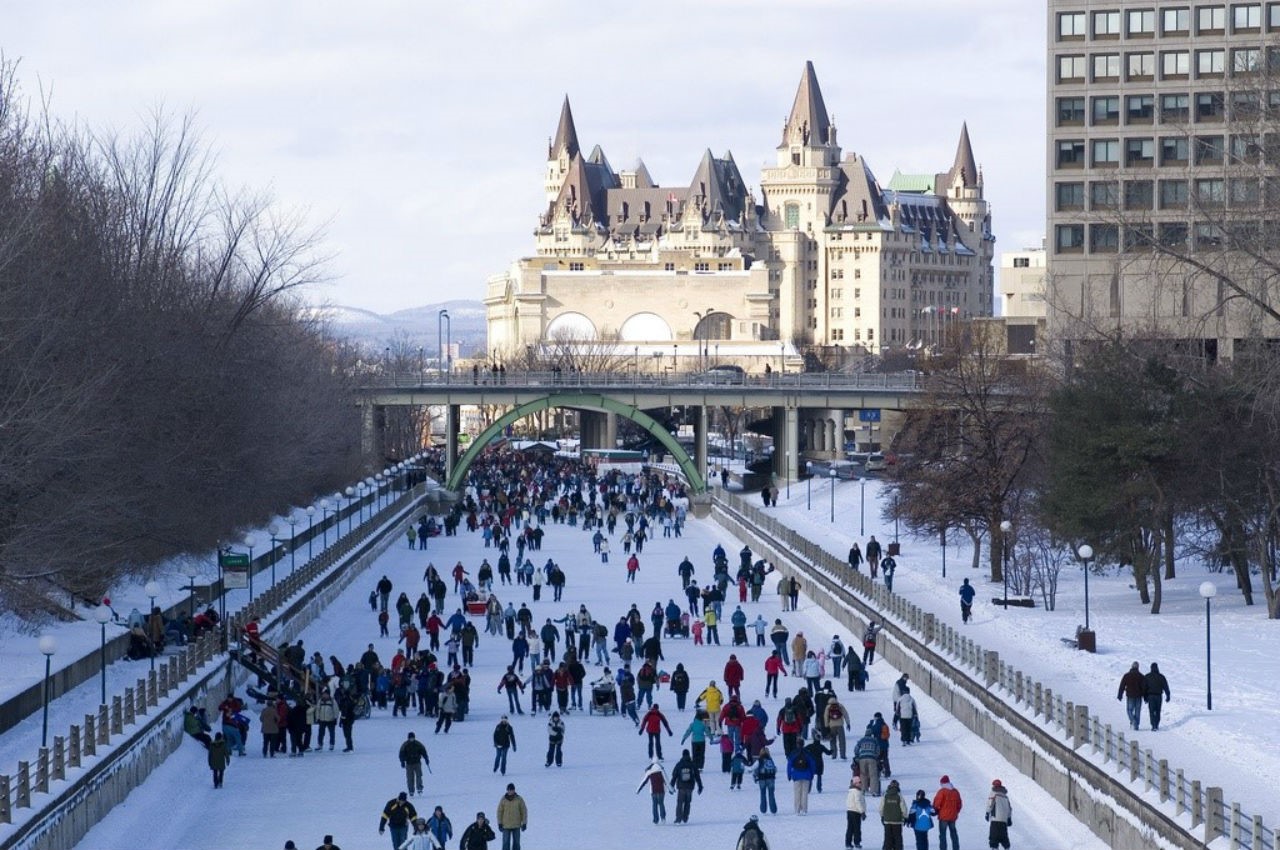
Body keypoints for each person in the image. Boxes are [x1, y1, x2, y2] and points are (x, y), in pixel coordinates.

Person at [669, 748, 703, 823]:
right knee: (688, 803)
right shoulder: (692, 764)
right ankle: (685, 817)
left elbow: (674, 776)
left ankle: (678, 819)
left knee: (680, 803)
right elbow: (697, 776)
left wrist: (671, 786)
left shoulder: (679, 764)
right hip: (690, 787)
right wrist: (700, 786)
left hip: (681, 787)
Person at [932, 775, 962, 850]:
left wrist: (935, 810)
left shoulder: (942, 792)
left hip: (943, 817)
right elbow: (959, 804)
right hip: (953, 817)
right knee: (953, 833)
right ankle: (956, 848)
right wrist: (955, 812)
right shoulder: (955, 791)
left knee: (942, 834)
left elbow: (936, 803)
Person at [496, 784, 527, 850]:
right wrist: (499, 823)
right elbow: (499, 812)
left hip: (516, 825)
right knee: (505, 843)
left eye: (511, 790)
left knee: (516, 843)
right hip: (506, 826)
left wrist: (524, 823)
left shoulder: (519, 799)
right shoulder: (503, 799)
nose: (510, 791)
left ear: (514, 790)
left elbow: (524, 811)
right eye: (508, 790)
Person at [1116, 661, 1146, 731]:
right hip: (1139, 696)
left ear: (1131, 667)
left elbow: (1122, 685)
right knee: (1137, 710)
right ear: (1138, 667)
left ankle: (1133, 721)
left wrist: (1120, 695)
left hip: (1130, 695)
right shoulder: (1141, 676)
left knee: (1129, 710)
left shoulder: (1127, 675)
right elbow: (1144, 687)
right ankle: (1136, 725)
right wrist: (1145, 697)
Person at [786, 745, 816, 814]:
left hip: (796, 775)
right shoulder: (807, 753)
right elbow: (812, 764)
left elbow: (789, 764)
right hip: (806, 775)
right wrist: (812, 774)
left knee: (797, 793)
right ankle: (804, 809)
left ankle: (797, 809)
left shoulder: (794, 753)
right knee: (805, 793)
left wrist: (789, 775)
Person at [1144, 662, 1171, 731]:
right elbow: (1166, 687)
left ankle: (1153, 725)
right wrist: (1168, 695)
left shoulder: (1147, 676)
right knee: (1158, 711)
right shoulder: (1161, 676)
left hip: (1150, 696)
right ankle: (1157, 724)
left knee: (1151, 711)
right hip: (1159, 696)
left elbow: (1144, 688)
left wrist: (1145, 697)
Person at [986, 779, 1013, 849]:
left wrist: (987, 812)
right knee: (1003, 836)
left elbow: (990, 804)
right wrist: (1009, 818)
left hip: (995, 819)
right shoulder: (1005, 796)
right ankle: (1007, 847)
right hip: (1004, 820)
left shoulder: (993, 793)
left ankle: (994, 848)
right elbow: (1009, 808)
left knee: (994, 836)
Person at [399, 732, 429, 796]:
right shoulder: (405, 745)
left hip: (417, 763)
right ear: (408, 738)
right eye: (410, 738)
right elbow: (401, 754)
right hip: (409, 764)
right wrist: (402, 762)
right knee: (410, 778)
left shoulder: (418, 744)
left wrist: (426, 759)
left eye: (412, 738)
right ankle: (411, 790)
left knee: (419, 776)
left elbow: (423, 751)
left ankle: (419, 789)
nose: (411, 739)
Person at [879, 779, 906, 850]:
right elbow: (903, 807)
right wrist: (905, 817)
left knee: (887, 838)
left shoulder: (886, 795)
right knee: (897, 838)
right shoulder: (899, 795)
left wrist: (882, 816)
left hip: (887, 820)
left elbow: (881, 807)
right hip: (897, 821)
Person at [751, 745, 778, 814]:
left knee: (763, 794)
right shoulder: (770, 760)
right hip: (771, 779)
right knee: (771, 794)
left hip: (762, 779)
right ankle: (773, 809)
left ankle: (763, 809)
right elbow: (775, 769)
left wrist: (755, 776)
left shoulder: (759, 760)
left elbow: (753, 768)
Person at [854, 727, 881, 796]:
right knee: (873, 775)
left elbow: (856, 749)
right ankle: (874, 791)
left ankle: (863, 790)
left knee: (863, 774)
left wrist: (857, 755)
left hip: (862, 759)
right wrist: (876, 756)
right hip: (872, 758)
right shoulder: (874, 740)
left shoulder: (861, 740)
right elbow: (878, 750)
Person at [846, 775, 868, 849]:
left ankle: (848, 843)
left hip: (850, 811)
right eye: (859, 782)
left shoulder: (851, 791)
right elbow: (858, 802)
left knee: (850, 828)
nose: (861, 784)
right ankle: (857, 842)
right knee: (857, 828)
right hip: (856, 812)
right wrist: (862, 812)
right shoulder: (857, 792)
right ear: (855, 783)